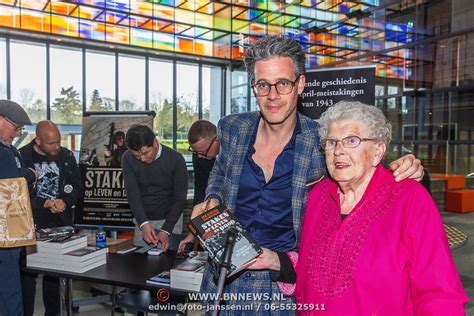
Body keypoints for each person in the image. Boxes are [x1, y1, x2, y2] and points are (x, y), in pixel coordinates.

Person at [181, 35, 424, 313]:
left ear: (300, 85)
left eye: (283, 83)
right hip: (224, 277)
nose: (273, 95)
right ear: (254, 87)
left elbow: (364, 169)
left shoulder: (322, 139)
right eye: (263, 85)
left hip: (283, 286)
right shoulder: (232, 128)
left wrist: (405, 168)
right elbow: (221, 172)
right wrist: (212, 197)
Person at [271, 101, 468, 314]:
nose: (338, 151)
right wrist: (274, 260)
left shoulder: (410, 199)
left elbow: (439, 294)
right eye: (331, 142)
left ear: (378, 150)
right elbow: (317, 271)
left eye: (352, 140)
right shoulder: (318, 196)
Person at [19, 120, 84, 316]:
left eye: (58, 141)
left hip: (60, 225)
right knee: (27, 278)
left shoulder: (66, 156)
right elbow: (16, 194)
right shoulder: (22, 157)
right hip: (31, 226)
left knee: (54, 278)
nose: (57, 146)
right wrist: (43, 203)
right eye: (51, 143)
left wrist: (65, 201)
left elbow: (77, 187)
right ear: (37, 140)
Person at [122, 125, 188, 250]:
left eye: (146, 153)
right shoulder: (128, 158)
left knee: (170, 261)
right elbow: (132, 193)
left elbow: (179, 198)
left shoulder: (175, 159)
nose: (142, 159)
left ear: (155, 142)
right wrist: (143, 224)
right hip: (143, 219)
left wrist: (166, 230)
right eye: (137, 155)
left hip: (171, 219)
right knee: (140, 262)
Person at [0, 99, 36, 316]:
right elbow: (12, 183)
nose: (17, 134)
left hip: (9, 232)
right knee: (9, 294)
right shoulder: (5, 153)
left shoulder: (9, 151)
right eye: (16, 128)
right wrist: (29, 175)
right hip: (5, 235)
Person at [187, 120, 220, 205]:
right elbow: (200, 187)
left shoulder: (234, 154)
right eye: (195, 152)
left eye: (202, 152)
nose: (199, 156)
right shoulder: (198, 154)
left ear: (216, 141)